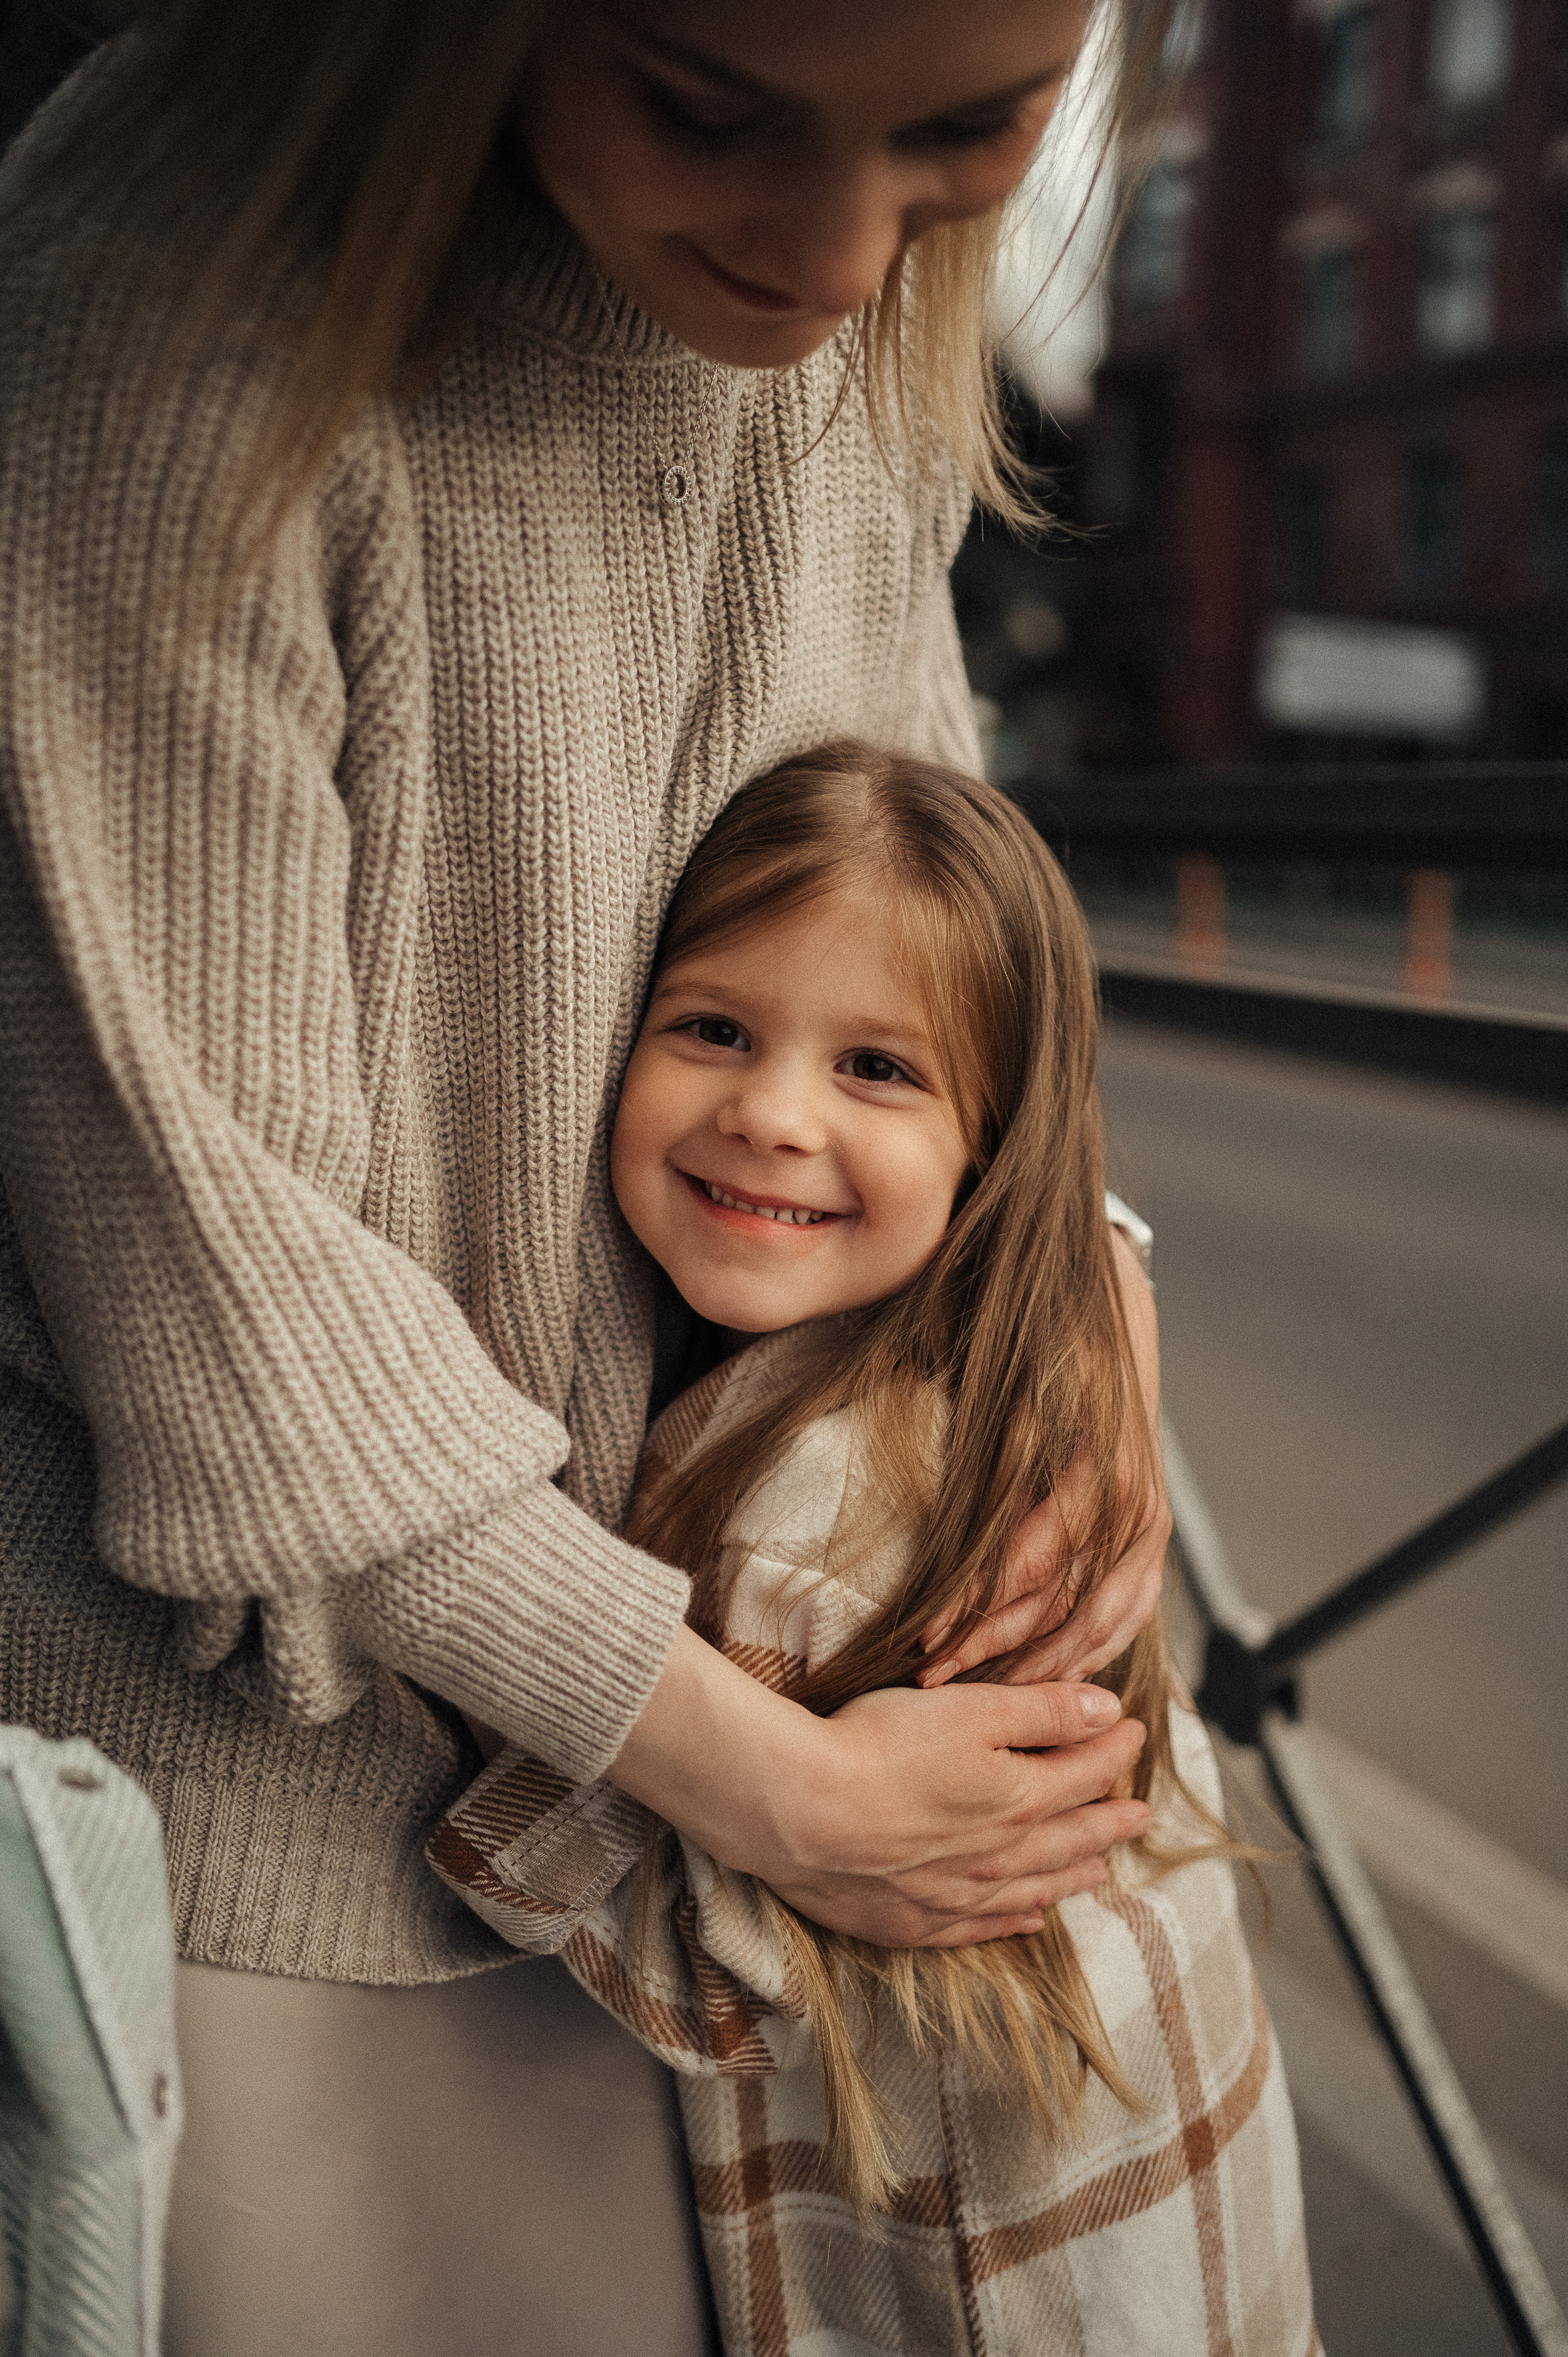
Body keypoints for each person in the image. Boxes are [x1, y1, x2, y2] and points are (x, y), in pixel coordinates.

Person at [0, 3, 1181, 2349]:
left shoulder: (857, 351)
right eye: (709, 111)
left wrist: (1098, 1335)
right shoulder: (151, 312)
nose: (841, 250)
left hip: (731, 1766)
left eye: (966, 133)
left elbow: (948, 903)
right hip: (276, 1834)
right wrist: (795, 1800)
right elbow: (217, 1287)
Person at [432, 744, 1318, 2357]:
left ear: (995, 1143)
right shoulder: (1002, 1407)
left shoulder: (800, 1512)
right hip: (1178, 2219)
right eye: (714, 1028)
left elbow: (687, 1959)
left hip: (976, 2277)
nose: (770, 1115)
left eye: (878, 1070)